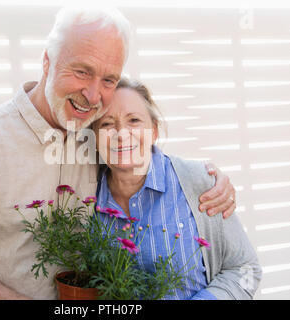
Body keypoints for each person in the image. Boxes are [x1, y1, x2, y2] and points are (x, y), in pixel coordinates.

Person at [0, 7, 236, 300]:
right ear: (47, 60)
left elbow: (140, 151)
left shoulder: (94, 131)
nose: (93, 94)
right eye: (81, 71)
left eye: (108, 79)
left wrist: (206, 176)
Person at [92, 77, 262, 299]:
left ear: (153, 131)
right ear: (94, 136)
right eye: (106, 123)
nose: (121, 133)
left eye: (133, 120)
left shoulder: (198, 182)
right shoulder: (84, 198)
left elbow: (246, 270)